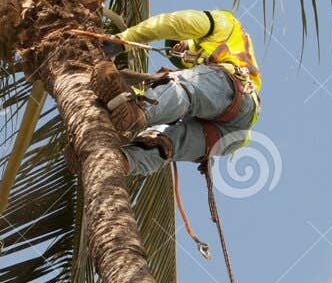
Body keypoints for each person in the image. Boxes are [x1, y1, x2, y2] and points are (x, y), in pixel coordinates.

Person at [106, 9, 261, 175]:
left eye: (179, 44)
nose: (179, 51)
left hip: (234, 88)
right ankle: (119, 163)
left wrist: (120, 41)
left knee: (179, 84)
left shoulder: (225, 23)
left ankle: (138, 112)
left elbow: (176, 23)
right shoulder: (203, 70)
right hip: (234, 135)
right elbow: (166, 100)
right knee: (159, 142)